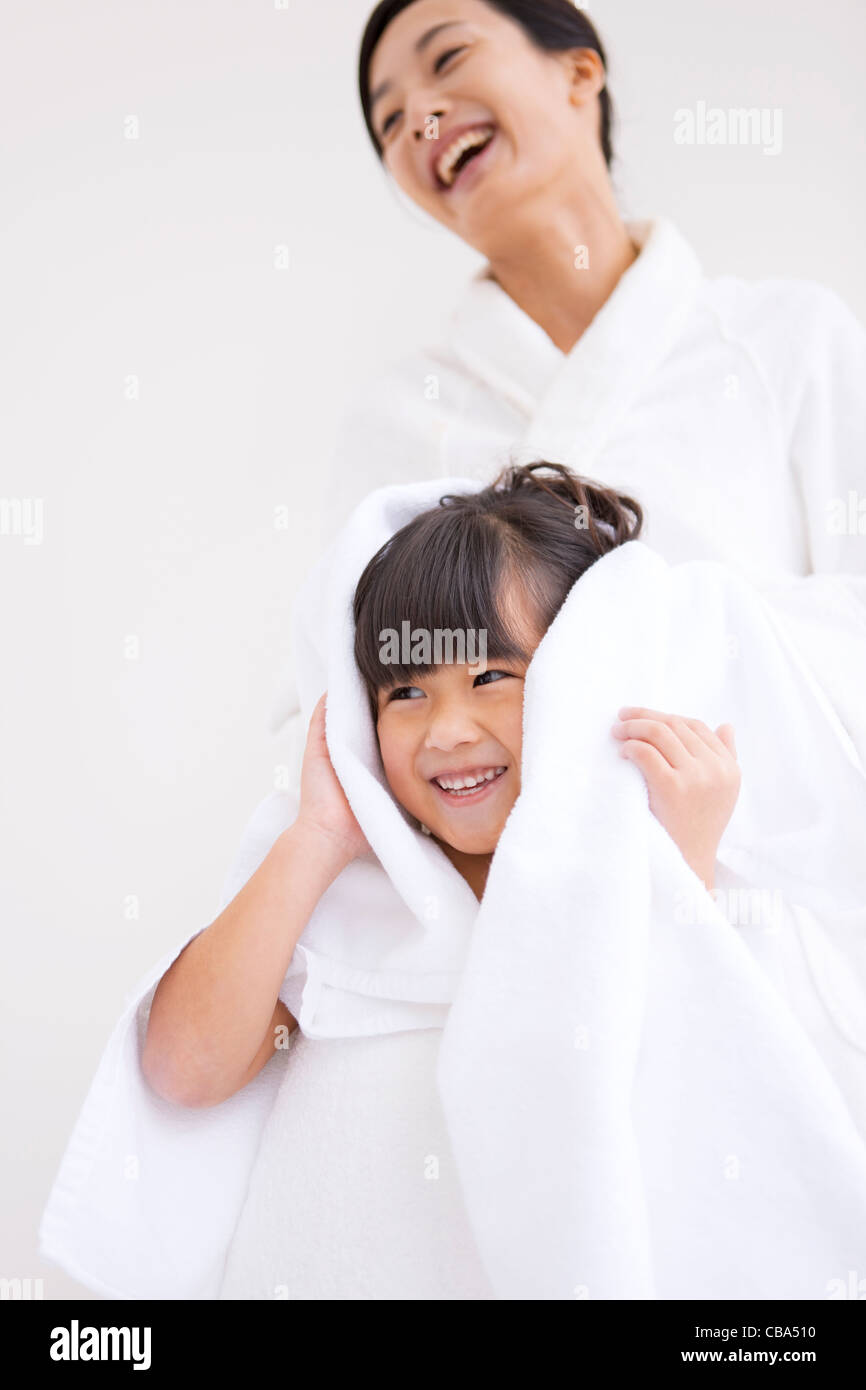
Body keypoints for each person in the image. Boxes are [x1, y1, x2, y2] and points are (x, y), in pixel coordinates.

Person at [322, 0, 865, 580]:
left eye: (449, 57)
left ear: (579, 72)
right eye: (390, 122)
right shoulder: (396, 416)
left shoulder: (790, 337)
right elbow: (339, 664)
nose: (420, 119)